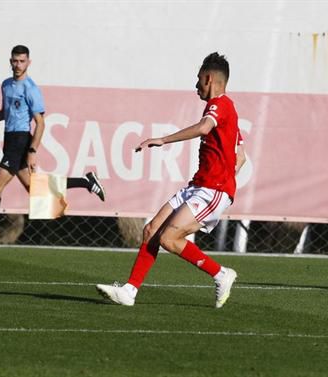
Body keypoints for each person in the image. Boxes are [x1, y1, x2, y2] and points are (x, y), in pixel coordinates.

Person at [96, 52, 246, 308]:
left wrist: (163, 140)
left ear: (209, 78)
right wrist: (221, 177)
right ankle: (130, 291)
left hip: (211, 190)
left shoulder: (220, 104)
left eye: (198, 79)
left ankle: (220, 273)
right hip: (200, 186)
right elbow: (240, 156)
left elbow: (202, 128)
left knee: (169, 239)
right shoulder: (227, 112)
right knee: (152, 231)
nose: (196, 86)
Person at [0, 45, 105, 247]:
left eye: (22, 61)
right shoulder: (6, 85)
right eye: (15, 61)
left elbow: (41, 123)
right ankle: (86, 181)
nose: (18, 65)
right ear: (10, 61)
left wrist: (32, 151)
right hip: (9, 140)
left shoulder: (31, 89)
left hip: (20, 141)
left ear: (29, 63)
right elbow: (3, 113)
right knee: (36, 189)